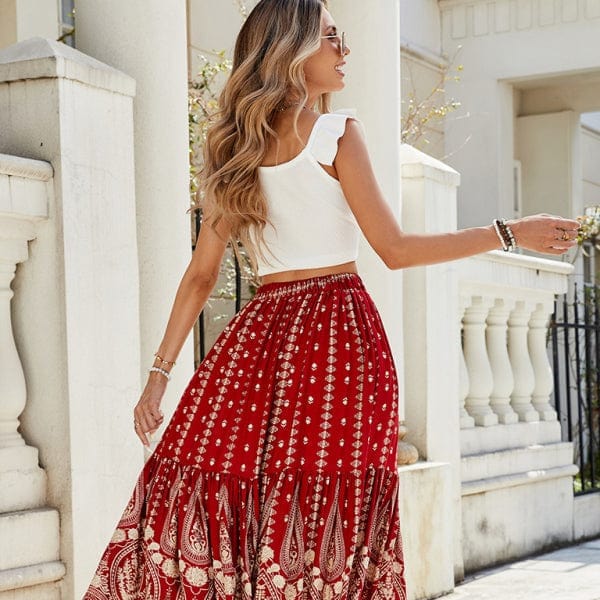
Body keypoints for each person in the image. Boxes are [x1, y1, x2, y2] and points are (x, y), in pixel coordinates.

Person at [83, 0, 580, 598]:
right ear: (290, 50)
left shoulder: (232, 152)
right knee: (325, 517)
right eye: (330, 39)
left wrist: (159, 377)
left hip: (258, 342)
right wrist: (508, 232)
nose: (345, 51)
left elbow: (199, 277)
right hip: (337, 337)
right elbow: (393, 249)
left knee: (243, 504)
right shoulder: (336, 133)